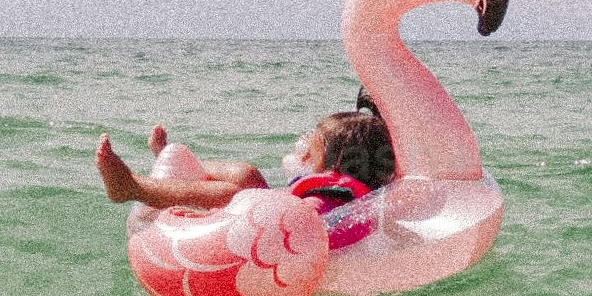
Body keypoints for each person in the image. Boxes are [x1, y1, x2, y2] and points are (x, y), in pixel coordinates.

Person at [96, 97, 395, 220]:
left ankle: (132, 188)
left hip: (263, 229)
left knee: (232, 194)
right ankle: (176, 167)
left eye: (313, 152)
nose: (304, 154)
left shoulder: (325, 200)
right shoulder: (337, 188)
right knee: (246, 174)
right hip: (270, 211)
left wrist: (216, 218)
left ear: (337, 164)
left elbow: (295, 222)